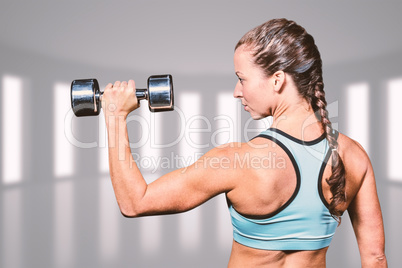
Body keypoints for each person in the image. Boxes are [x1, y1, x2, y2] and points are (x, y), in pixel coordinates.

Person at [101, 18, 387, 267]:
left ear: (277, 80)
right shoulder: (354, 156)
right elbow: (375, 258)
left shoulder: (238, 160)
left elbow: (134, 202)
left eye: (242, 79)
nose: (237, 92)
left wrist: (115, 116)